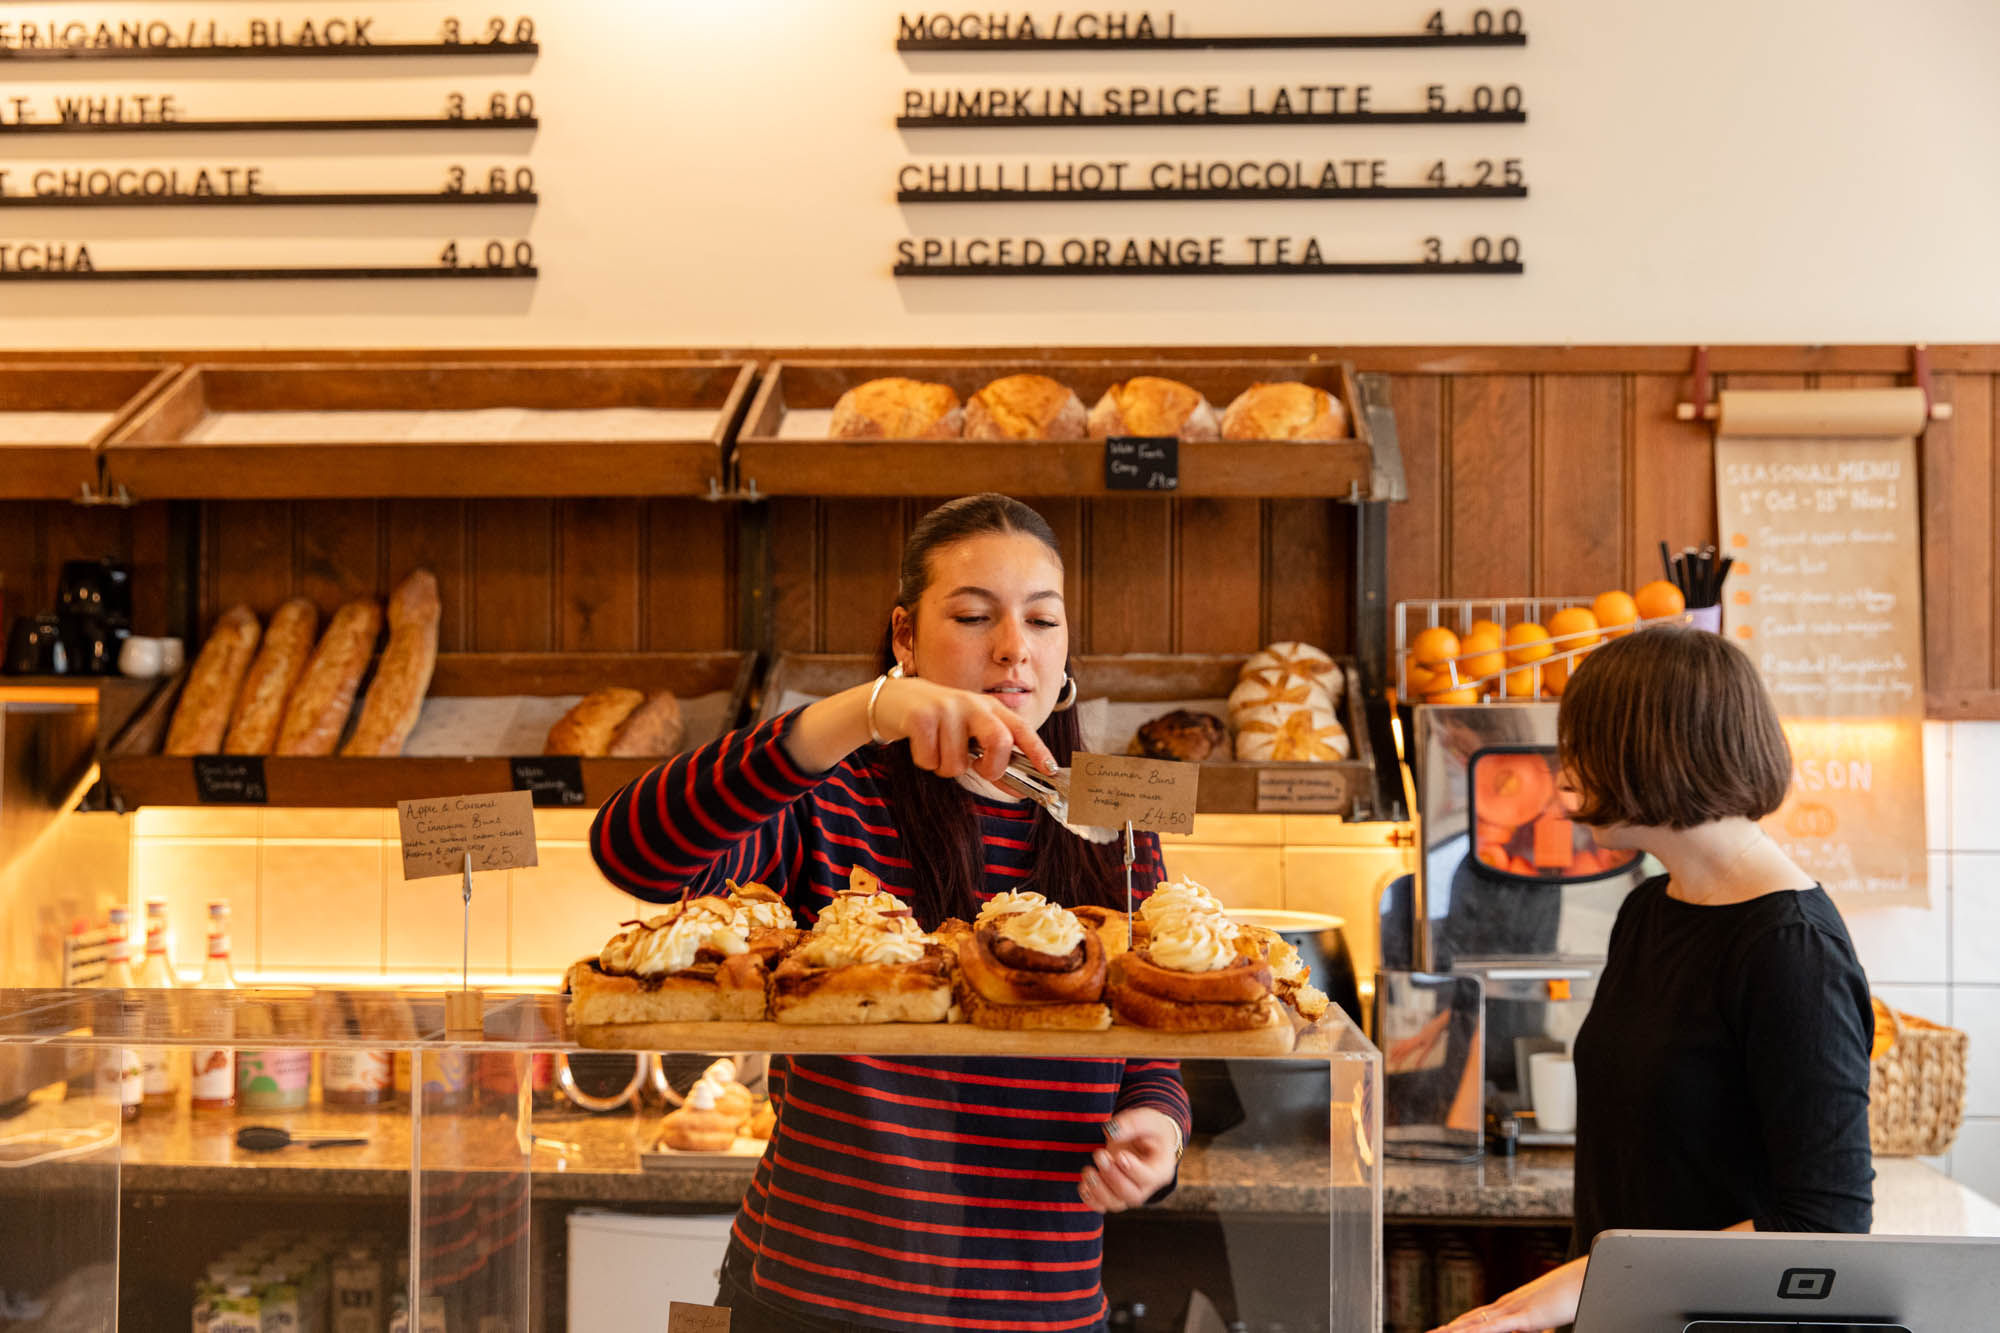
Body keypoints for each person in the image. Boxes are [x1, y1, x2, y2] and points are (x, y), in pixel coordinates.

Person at [591, 493, 1190, 1333]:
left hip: (1039, 1306)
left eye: (1043, 621)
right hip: (812, 1298)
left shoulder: (1110, 822)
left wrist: (1158, 1127)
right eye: (975, 615)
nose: (1016, 649)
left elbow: (1152, 1038)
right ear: (904, 637)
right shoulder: (835, 795)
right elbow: (635, 852)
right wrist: (860, 713)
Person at [1432, 626, 1874, 1332]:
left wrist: (1576, 1285)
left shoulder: (1792, 950)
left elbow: (1827, 1220)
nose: (1565, 766)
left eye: (1585, 743)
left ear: (1655, 752)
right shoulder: (1648, 909)